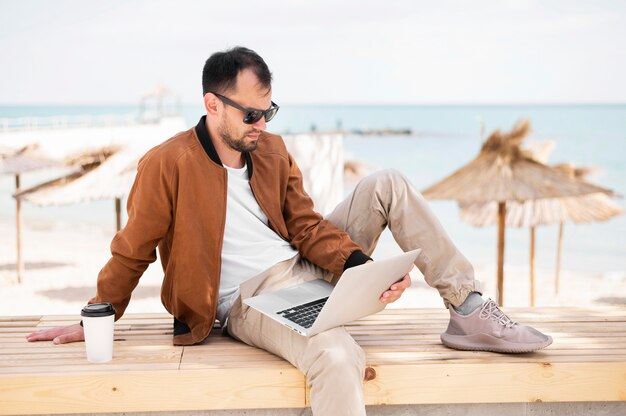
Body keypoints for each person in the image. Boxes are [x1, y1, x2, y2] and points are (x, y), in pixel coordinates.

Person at [27, 47, 552, 415]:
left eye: (269, 110)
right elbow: (132, 248)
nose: (263, 123)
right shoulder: (167, 164)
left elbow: (305, 225)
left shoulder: (271, 150)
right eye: (252, 113)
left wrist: (360, 269)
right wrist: (97, 314)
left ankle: (468, 310)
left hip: (303, 270)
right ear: (213, 104)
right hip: (246, 300)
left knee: (386, 183)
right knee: (339, 354)